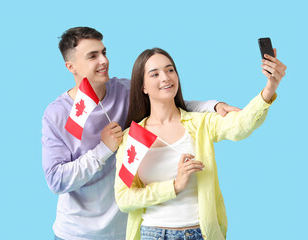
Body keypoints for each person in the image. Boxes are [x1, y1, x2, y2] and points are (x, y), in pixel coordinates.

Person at [42, 27, 239, 240]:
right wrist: (103, 149)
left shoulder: (126, 91)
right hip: (77, 233)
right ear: (71, 67)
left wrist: (213, 105)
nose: (104, 61)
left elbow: (169, 103)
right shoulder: (56, 115)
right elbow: (56, 181)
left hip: (127, 229)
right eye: (92, 56)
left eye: (104, 52)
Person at [114, 47, 287, 240]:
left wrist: (270, 88)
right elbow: (124, 199)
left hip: (198, 234)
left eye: (170, 70)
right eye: (154, 74)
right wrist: (174, 186)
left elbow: (241, 125)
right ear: (143, 87)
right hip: (151, 234)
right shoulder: (132, 138)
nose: (165, 77)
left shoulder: (200, 123)